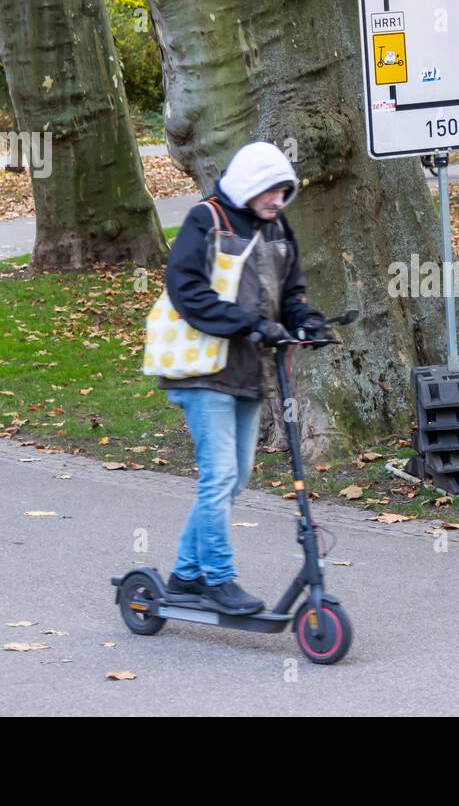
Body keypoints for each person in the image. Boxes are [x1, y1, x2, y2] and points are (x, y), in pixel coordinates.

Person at [159, 141, 325, 615]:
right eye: (271, 190)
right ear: (250, 184)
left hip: (251, 371)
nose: (278, 199)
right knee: (220, 476)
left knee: (235, 479)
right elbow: (185, 288)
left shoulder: (277, 226)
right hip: (203, 369)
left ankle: (185, 575)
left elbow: (291, 289)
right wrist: (246, 323)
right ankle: (218, 577)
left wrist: (304, 320)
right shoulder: (206, 220)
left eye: (283, 190)